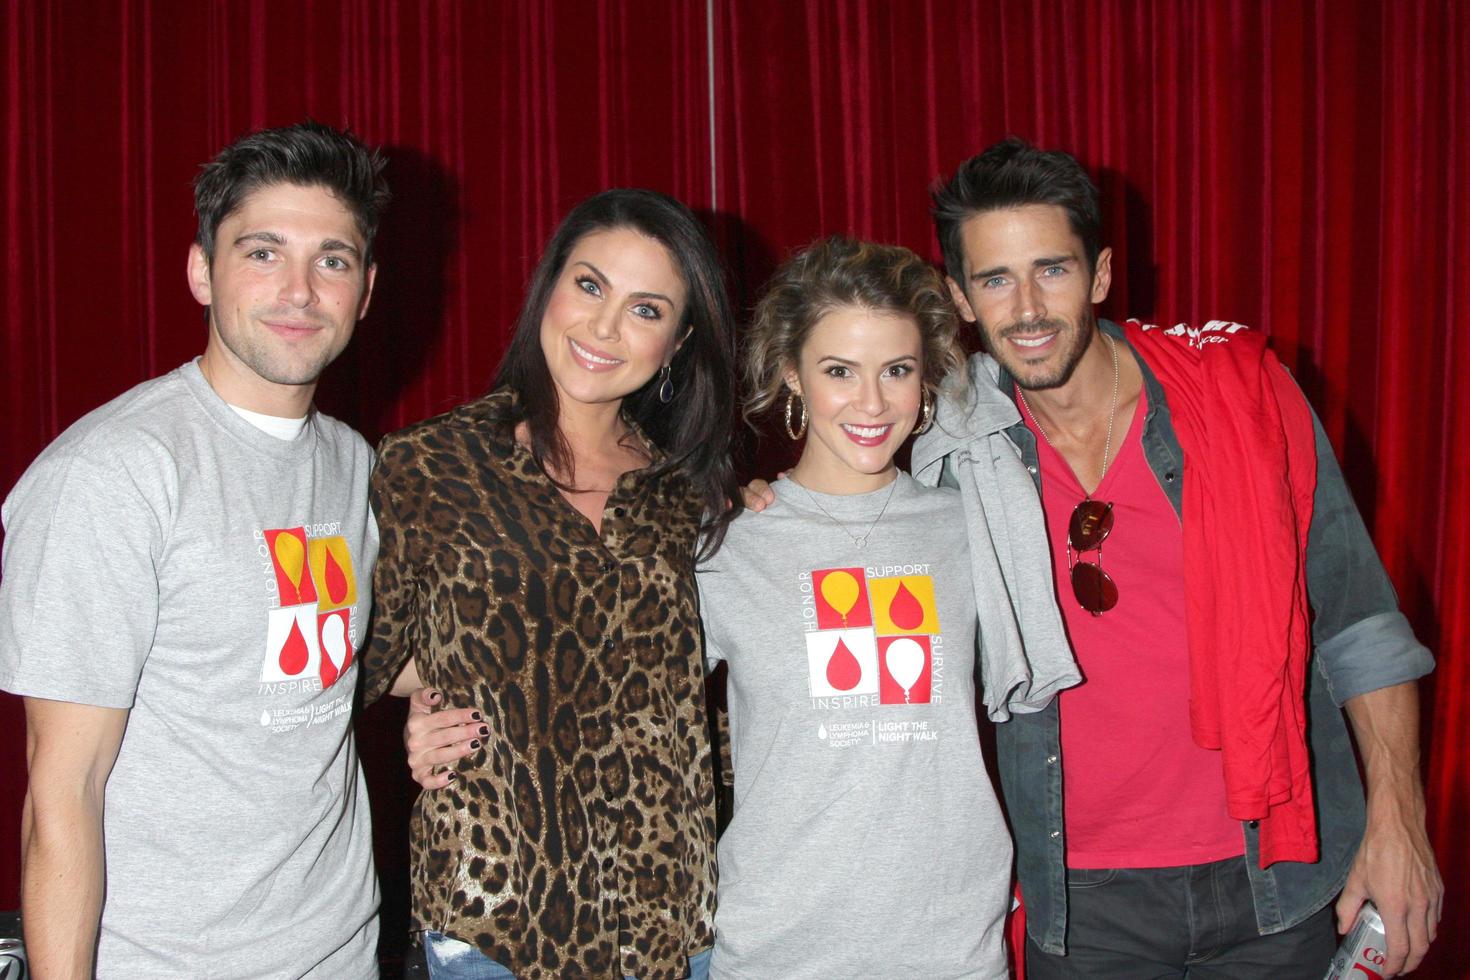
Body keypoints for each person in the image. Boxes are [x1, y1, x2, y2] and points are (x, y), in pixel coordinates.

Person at [916, 137, 1442, 977]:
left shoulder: (1243, 401)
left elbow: (1360, 624)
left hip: (1275, 872)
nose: (1027, 308)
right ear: (960, 298)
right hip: (1081, 906)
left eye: (1051, 270)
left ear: (1100, 275)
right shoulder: (943, 450)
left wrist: (1400, 823)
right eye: (994, 279)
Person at [0, 121, 388, 978]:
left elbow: (323, 665)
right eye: (261, 252)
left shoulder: (356, 466)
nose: (299, 289)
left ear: (364, 292)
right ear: (200, 272)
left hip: (340, 950)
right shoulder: (111, 477)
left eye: (332, 259)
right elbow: (62, 795)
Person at [359, 188, 741, 980]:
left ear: (677, 342)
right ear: (551, 287)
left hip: (671, 920)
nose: (604, 328)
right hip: (495, 917)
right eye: (590, 285)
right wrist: (434, 700)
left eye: (646, 309)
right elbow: (357, 662)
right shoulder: (431, 465)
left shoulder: (690, 496)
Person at [695, 236, 1077, 979]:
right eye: (840, 370)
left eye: (897, 371)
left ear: (927, 380)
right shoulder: (726, 546)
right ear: (790, 375)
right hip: (777, 948)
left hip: (951, 947)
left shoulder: (975, 526)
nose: (872, 403)